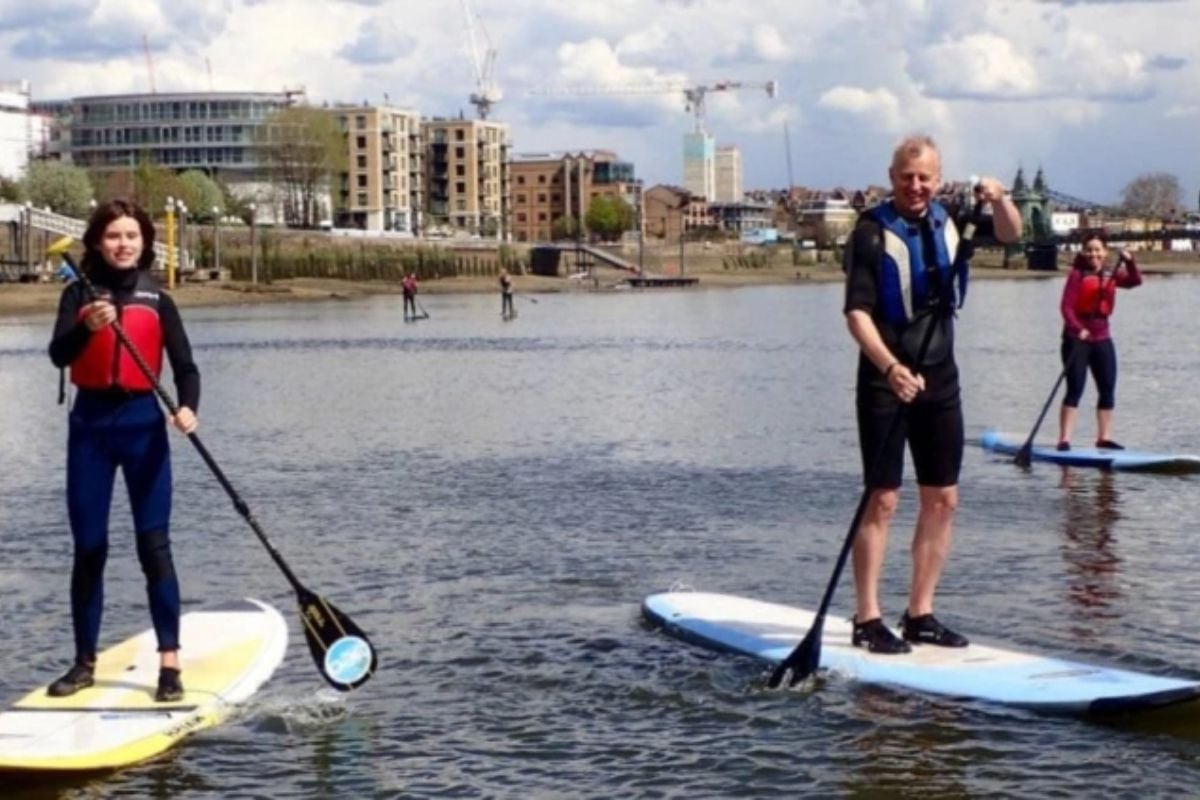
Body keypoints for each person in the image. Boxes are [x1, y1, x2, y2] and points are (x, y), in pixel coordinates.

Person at [842, 135, 1021, 654]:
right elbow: (856, 314)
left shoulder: (954, 221)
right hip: (884, 376)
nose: (916, 186)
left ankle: (919, 613)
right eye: (906, 177)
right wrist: (891, 367)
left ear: (938, 180)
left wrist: (1000, 198)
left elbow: (1010, 235)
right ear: (892, 176)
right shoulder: (871, 232)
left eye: (925, 178)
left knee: (942, 498)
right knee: (883, 499)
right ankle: (867, 618)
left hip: (940, 374)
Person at [47, 199, 200, 702]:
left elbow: (185, 368)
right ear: (96, 242)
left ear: (145, 242)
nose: (123, 244)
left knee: (153, 548)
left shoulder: (159, 299)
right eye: (114, 235)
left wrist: (187, 408)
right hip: (90, 429)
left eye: (132, 235)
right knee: (90, 549)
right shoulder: (77, 295)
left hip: (144, 431)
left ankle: (170, 666)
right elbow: (58, 356)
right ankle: (84, 662)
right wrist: (86, 325)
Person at [1056, 232, 1142, 451]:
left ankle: (1103, 438)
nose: (1093, 254)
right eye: (1089, 250)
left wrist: (1130, 261)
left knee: (1107, 388)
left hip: (1102, 337)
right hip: (1077, 339)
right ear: (1083, 252)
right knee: (1075, 388)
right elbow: (1066, 307)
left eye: (1097, 250)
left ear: (1105, 252)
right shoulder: (1078, 275)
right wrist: (1078, 329)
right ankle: (1064, 439)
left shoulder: (1110, 273)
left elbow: (1135, 281)